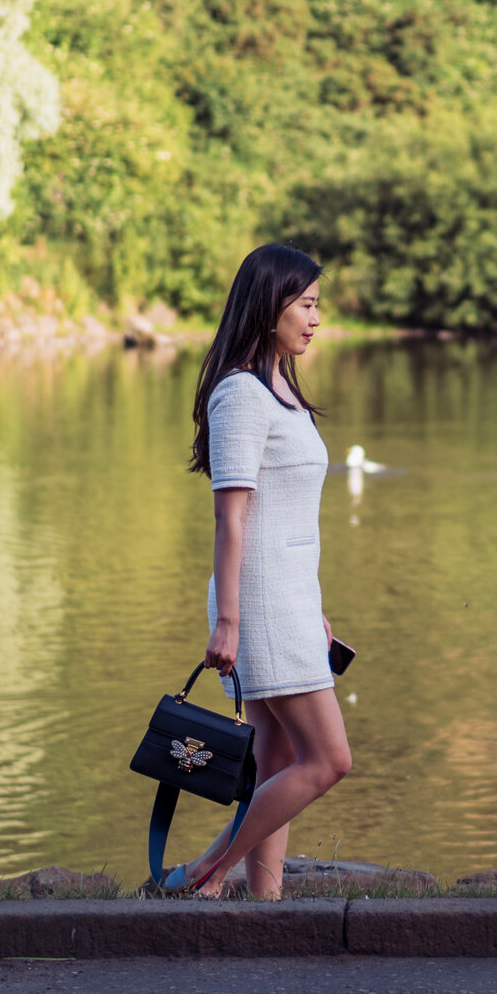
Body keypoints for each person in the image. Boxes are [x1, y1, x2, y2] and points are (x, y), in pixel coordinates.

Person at [163, 244, 351, 899]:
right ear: (270, 305)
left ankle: (262, 902)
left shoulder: (280, 391)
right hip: (260, 605)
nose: (316, 319)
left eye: (318, 305)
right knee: (329, 758)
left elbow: (289, 522)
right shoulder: (241, 394)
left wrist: (314, 609)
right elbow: (231, 518)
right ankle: (204, 872)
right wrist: (228, 620)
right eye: (306, 304)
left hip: (289, 602)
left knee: (277, 756)